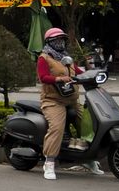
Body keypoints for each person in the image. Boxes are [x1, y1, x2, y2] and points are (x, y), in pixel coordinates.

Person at [37, 28, 102, 180]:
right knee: (57, 128)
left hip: (72, 99)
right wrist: (58, 79)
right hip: (53, 100)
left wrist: (94, 74)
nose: (60, 43)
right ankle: (50, 162)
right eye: (56, 40)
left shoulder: (67, 58)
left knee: (88, 124)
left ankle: (88, 159)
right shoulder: (44, 58)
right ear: (50, 42)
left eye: (62, 40)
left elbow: (78, 72)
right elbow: (43, 77)